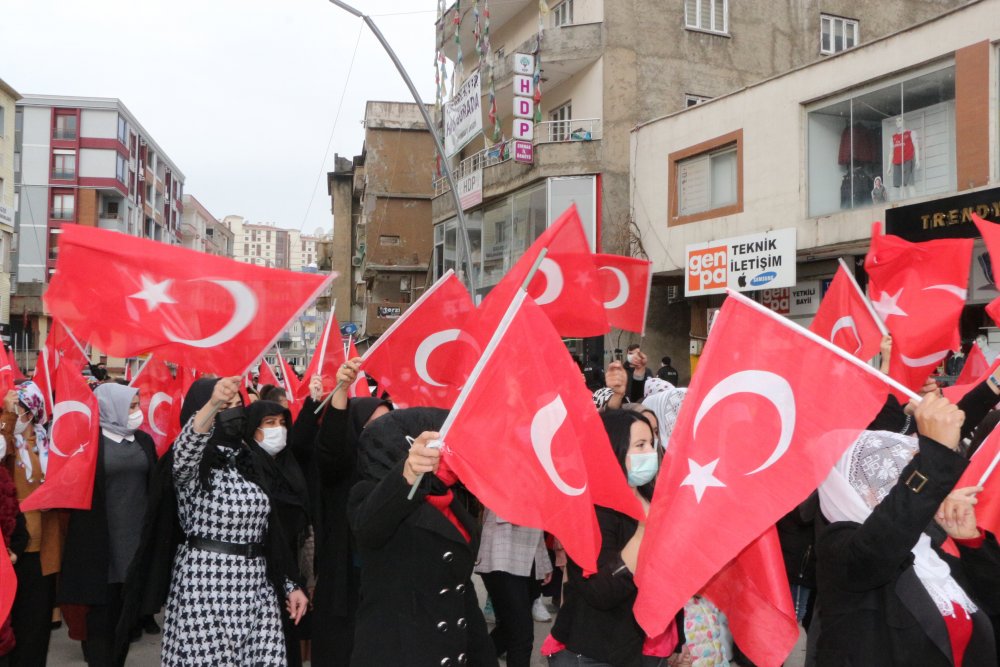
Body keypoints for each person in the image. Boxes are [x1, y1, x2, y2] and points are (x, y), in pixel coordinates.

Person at [815, 394, 1000, 666]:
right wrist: (935, 455)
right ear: (851, 487)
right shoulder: (839, 548)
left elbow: (993, 601)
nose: (894, 490)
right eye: (886, 477)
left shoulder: (929, 543)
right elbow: (881, 544)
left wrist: (970, 543)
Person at [160, 376, 308, 667]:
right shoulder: (190, 464)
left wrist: (289, 583)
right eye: (223, 407)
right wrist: (213, 402)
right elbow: (188, 446)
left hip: (257, 585)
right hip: (205, 586)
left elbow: (271, 532)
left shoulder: (250, 459)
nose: (232, 412)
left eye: (237, 405)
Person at [347, 407, 497, 666]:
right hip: (399, 649)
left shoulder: (449, 500)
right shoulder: (369, 492)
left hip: (451, 646)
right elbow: (368, 529)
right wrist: (407, 475)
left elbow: (461, 588)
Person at [547, 410, 687, 667]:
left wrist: (678, 641)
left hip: (641, 645)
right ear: (614, 448)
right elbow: (601, 591)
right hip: (595, 652)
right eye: (640, 445)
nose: (650, 452)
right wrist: (644, 533)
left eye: (652, 443)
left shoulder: (653, 499)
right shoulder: (591, 510)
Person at [297, 360, 391, 667]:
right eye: (374, 426)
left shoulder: (399, 473)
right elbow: (332, 445)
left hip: (384, 584)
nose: (383, 434)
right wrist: (340, 392)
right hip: (344, 581)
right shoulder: (341, 470)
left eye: (388, 425)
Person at [59, 383, 157, 667]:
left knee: (125, 625)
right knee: (100, 625)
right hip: (98, 546)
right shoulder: (87, 443)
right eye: (131, 406)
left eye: (138, 405)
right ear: (111, 408)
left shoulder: (143, 441)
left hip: (134, 545)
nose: (137, 412)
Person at [244, 400, 313, 667]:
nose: (278, 430)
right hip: (262, 572)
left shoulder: (289, 465)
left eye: (283, 423)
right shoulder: (247, 468)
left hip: (292, 569)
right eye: (270, 423)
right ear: (252, 429)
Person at [2, 382, 63, 666]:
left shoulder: (47, 443)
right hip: (13, 550)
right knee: (10, 626)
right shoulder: (6, 446)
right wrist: (7, 417)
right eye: (16, 409)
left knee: (36, 627)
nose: (18, 414)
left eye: (22, 409)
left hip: (43, 549)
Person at [475, 508, 553, 667]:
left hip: (531, 557)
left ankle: (474, 662)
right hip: (502, 553)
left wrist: (543, 560)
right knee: (521, 634)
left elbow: (538, 519)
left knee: (509, 629)